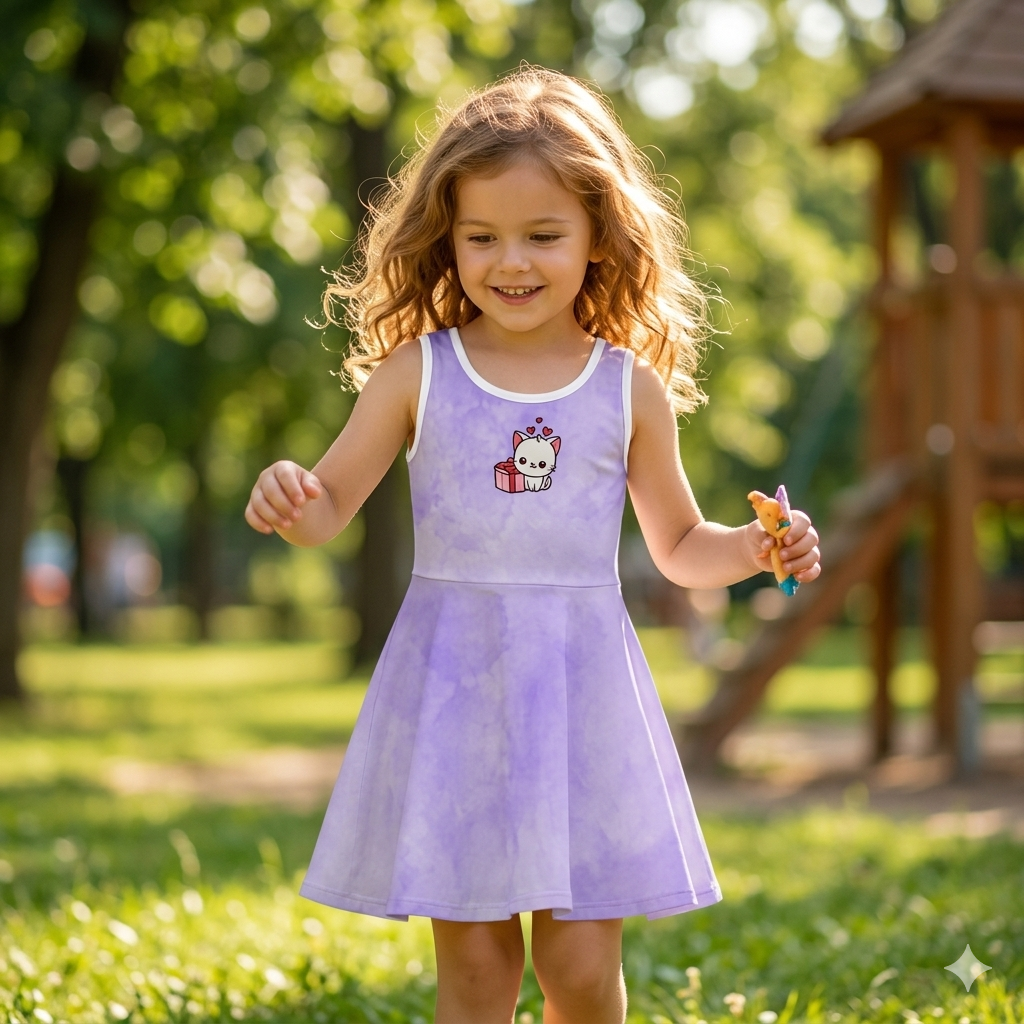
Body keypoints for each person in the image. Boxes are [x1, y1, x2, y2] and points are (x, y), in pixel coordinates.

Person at [245, 67, 821, 1024]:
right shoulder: (417, 371)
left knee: (582, 975)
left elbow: (679, 544)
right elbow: (326, 509)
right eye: (482, 238)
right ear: (450, 236)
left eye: (543, 236)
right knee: (476, 977)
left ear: (599, 236)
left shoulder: (624, 387)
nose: (510, 261)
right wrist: (287, 495)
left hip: (582, 706)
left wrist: (756, 551)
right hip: (455, 700)